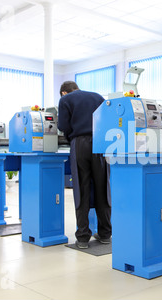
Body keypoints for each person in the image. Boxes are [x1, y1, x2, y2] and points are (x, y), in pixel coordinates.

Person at [58, 81, 112, 249]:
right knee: (103, 187)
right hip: (100, 144)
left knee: (81, 188)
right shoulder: (98, 97)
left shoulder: (65, 100)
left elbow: (63, 126)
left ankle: (82, 237)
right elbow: (107, 120)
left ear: (64, 92)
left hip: (80, 143)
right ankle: (105, 234)